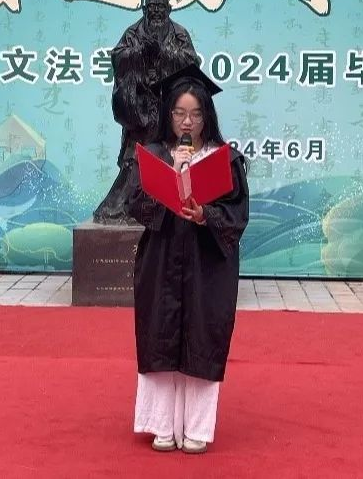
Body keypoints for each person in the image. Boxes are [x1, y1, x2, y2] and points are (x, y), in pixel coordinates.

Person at [124, 64, 249, 453]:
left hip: (206, 264)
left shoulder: (225, 159)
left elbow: (237, 214)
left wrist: (205, 215)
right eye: (179, 113)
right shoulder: (154, 155)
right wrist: (173, 173)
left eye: (195, 113)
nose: (187, 122)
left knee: (201, 337)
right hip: (161, 261)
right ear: (169, 114)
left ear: (207, 115)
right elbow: (134, 203)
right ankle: (160, 424)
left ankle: (196, 427)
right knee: (160, 336)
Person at [93, 0, 198, 224]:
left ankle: (164, 210)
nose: (156, 12)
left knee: (169, 158)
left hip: (169, 108)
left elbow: (191, 61)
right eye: (152, 7)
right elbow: (119, 56)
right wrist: (140, 52)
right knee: (135, 159)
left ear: (169, 8)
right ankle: (121, 208)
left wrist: (164, 52)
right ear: (144, 9)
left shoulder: (179, 34)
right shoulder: (134, 33)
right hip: (141, 108)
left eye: (160, 7)